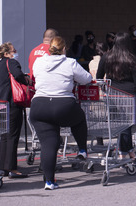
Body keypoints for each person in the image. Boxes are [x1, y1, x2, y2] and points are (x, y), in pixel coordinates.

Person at [29, 36, 93, 190]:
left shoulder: (39, 62)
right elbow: (86, 79)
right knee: (79, 119)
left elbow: (36, 76)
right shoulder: (70, 63)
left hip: (39, 106)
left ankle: (49, 182)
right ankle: (82, 149)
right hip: (63, 105)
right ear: (64, 49)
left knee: (48, 145)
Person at [96, 32, 136, 164]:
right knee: (126, 125)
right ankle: (124, 154)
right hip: (130, 94)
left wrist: (105, 89)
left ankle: (129, 152)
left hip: (113, 93)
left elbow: (99, 76)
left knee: (120, 125)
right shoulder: (131, 58)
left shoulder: (106, 57)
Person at [0, 42, 31, 179]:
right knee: (13, 136)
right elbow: (18, 75)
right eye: (14, 50)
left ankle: (3, 167)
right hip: (11, 103)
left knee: (4, 136)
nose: (16, 52)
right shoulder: (12, 62)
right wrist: (26, 80)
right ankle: (12, 168)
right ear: (7, 53)